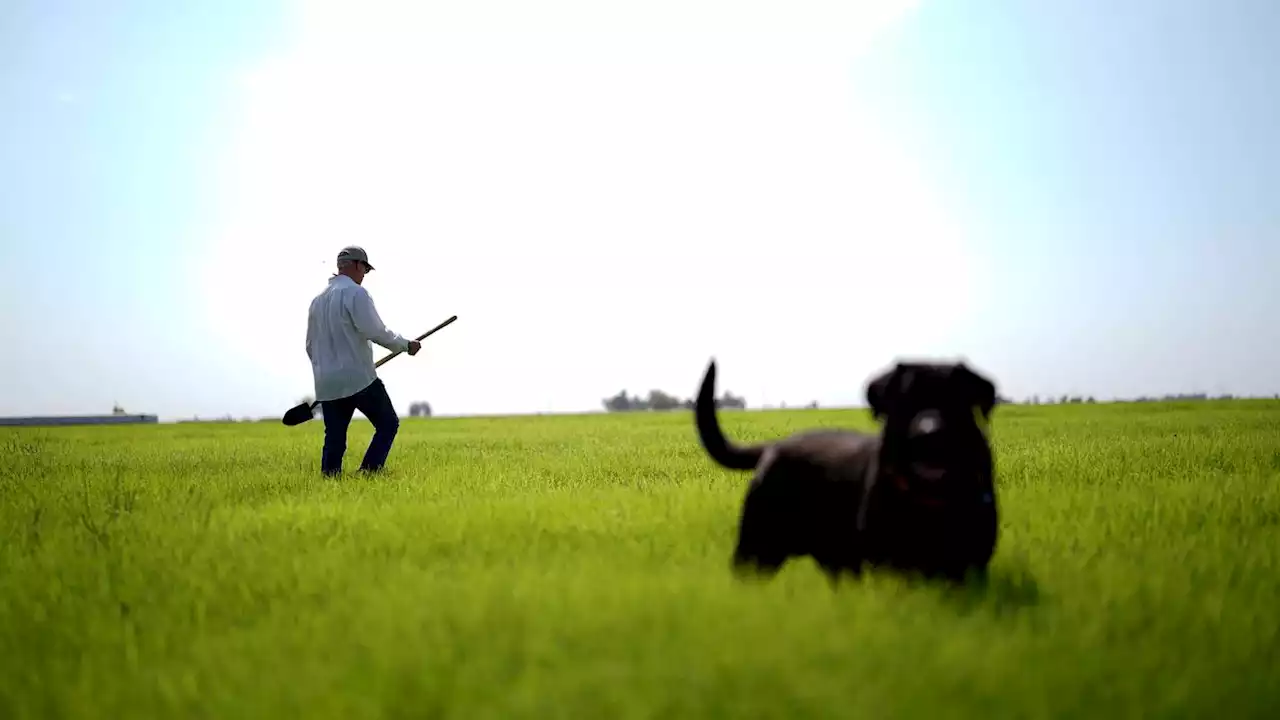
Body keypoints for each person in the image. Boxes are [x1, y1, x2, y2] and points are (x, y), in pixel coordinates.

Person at [305, 246, 421, 476]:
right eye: (365, 269)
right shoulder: (356, 294)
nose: (364, 275)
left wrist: (326, 370)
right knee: (388, 424)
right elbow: (375, 331)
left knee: (335, 439)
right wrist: (405, 345)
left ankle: (330, 479)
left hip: (327, 383)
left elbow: (310, 346)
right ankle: (368, 473)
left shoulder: (317, 302)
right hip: (358, 379)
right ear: (357, 265)